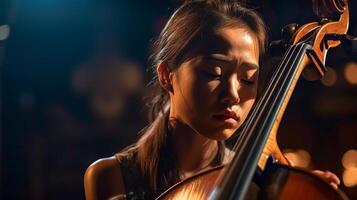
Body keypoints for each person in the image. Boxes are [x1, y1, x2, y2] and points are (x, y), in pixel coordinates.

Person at [84, 1, 340, 199]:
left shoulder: (257, 183)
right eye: (213, 73)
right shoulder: (111, 177)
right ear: (166, 76)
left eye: (249, 79)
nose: (233, 94)